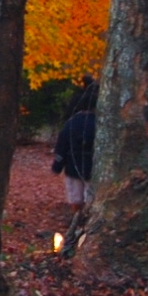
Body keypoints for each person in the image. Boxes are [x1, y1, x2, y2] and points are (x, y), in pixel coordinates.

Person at [52, 79, 98, 209]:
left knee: (76, 199)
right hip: (94, 168)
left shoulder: (71, 123)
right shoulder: (100, 124)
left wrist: (57, 166)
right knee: (91, 200)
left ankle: (77, 222)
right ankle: (87, 222)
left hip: (73, 166)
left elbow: (61, 146)